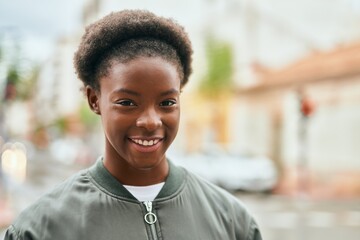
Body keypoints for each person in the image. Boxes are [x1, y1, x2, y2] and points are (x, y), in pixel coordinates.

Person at [4, 10, 262, 240]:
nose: (150, 121)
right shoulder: (40, 229)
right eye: (127, 102)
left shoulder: (232, 221)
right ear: (95, 100)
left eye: (167, 102)